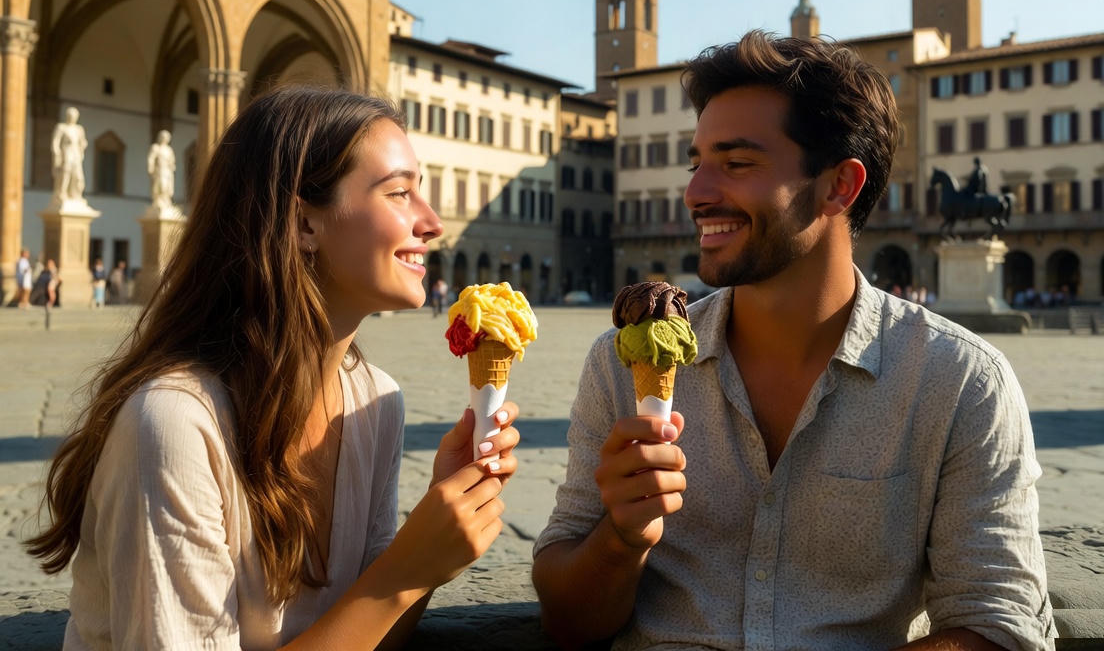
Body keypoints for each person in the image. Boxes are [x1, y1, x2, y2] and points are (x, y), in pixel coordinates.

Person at [533, 32, 1052, 650]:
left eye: (737, 162)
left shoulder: (960, 382)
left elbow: (1000, 624)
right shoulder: (621, 363)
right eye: (696, 162)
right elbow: (567, 623)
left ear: (840, 186)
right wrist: (621, 538)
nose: (696, 193)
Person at [26, 85, 520, 649]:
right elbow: (384, 597)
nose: (432, 223)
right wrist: (406, 572)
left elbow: (374, 632)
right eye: (400, 193)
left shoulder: (375, 403)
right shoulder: (172, 426)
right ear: (305, 224)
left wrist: (432, 533)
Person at [51, 107, 89, 205]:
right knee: (66, 172)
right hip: (66, 151)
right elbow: (55, 142)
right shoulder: (61, 127)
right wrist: (57, 153)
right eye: (71, 115)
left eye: (74, 116)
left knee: (77, 175)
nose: (72, 117)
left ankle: (75, 194)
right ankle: (62, 193)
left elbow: (82, 141)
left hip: (75, 153)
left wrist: (83, 146)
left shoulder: (79, 129)